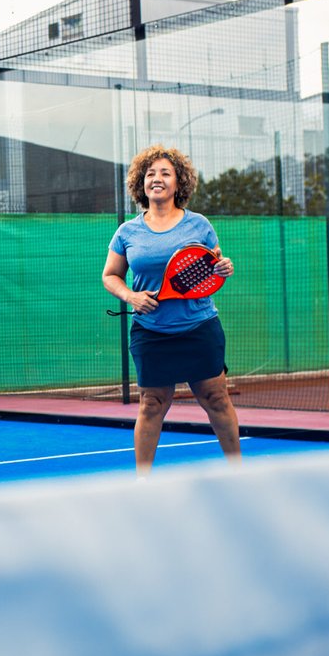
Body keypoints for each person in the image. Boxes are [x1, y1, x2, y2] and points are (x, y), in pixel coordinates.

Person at [102, 144, 239, 473]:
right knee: (152, 403)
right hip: (151, 331)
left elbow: (210, 265)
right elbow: (110, 276)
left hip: (199, 327)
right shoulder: (127, 232)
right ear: (142, 184)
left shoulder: (199, 225)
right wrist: (131, 297)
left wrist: (223, 267)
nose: (157, 178)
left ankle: (238, 473)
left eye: (165, 173)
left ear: (179, 183)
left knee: (217, 399)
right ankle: (143, 483)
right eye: (150, 174)